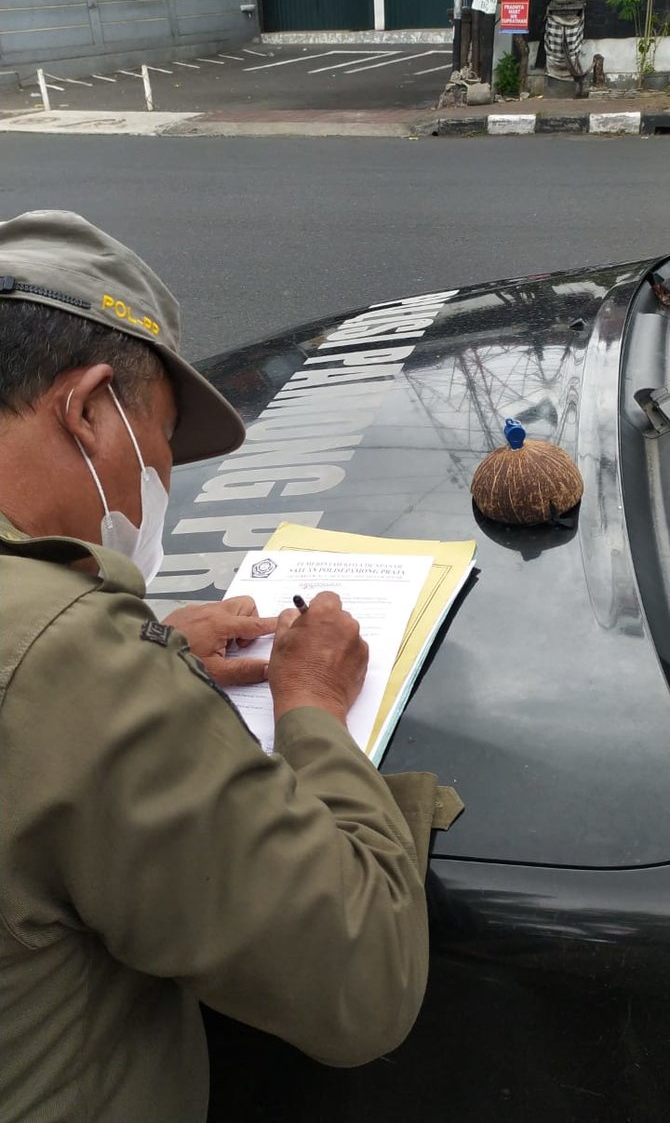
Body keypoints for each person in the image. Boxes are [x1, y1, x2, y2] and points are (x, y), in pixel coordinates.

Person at [0, 211, 429, 1123]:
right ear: (86, 409)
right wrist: (311, 705)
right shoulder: (70, 659)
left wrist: (141, 645)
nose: (162, 478)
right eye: (158, 446)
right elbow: (364, 977)